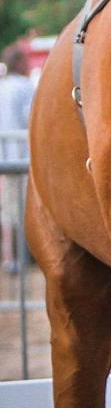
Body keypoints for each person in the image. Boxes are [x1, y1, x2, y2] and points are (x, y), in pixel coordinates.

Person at [0, 44, 35, 273]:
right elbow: (31, 117)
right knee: (23, 209)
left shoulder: (1, 87)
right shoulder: (25, 87)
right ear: (20, 63)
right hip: (23, 155)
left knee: (8, 212)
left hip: (4, 157)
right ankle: (22, 258)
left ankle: (10, 257)